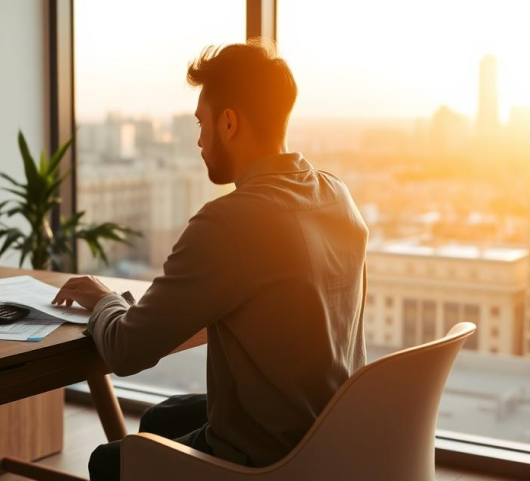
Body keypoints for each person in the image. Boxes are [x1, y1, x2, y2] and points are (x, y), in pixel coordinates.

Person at [52, 40, 369, 480]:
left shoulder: (230, 222)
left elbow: (126, 351)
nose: (199, 140)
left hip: (270, 459)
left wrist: (104, 300)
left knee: (105, 462)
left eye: (201, 123)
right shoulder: (337, 194)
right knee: (163, 419)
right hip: (333, 433)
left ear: (229, 122)